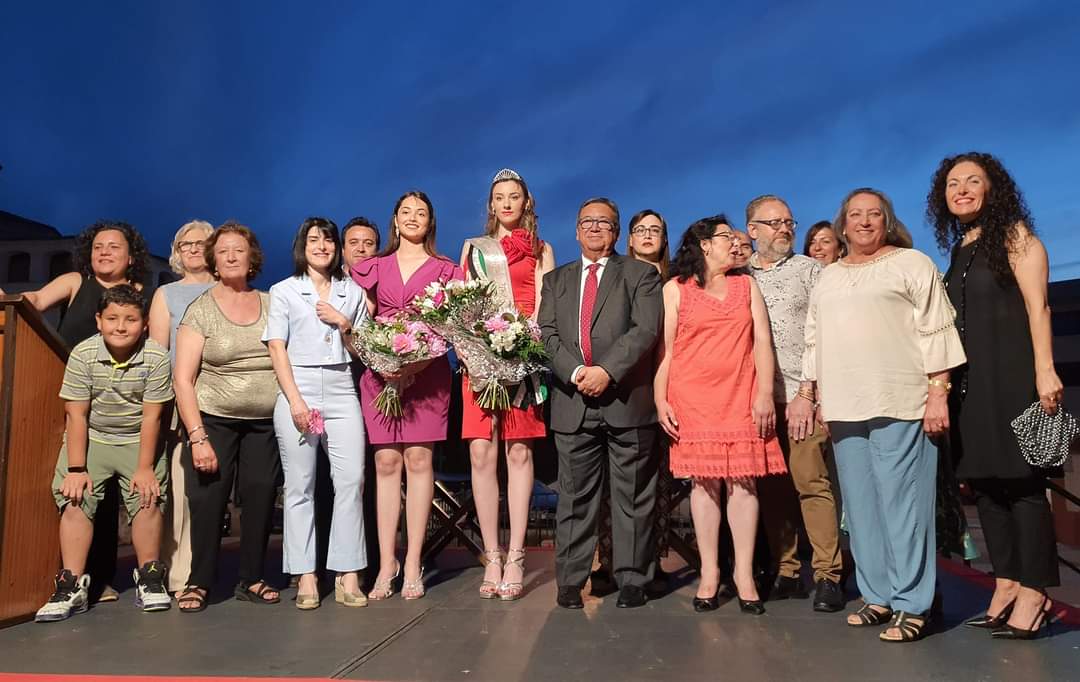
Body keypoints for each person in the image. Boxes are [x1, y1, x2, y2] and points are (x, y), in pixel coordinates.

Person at [802, 188, 966, 643]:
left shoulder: (912, 264)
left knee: (903, 504)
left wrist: (938, 393)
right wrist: (810, 395)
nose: (865, 222)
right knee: (861, 506)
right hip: (843, 405)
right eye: (856, 215)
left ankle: (914, 603)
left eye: (875, 214)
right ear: (843, 224)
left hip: (900, 399)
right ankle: (878, 596)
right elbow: (814, 341)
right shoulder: (829, 277)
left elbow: (937, 328)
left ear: (887, 220)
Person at [929, 152, 1064, 639]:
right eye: (952, 184)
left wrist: (1045, 371)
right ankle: (1005, 580)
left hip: (1015, 377)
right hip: (970, 382)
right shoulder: (960, 248)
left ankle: (1036, 590)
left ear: (993, 188)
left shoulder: (1017, 237)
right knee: (984, 484)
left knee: (1024, 485)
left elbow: (1039, 307)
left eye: (972, 181)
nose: (961, 189)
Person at [655, 216, 785, 615]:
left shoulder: (747, 286)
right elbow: (667, 350)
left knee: (744, 485)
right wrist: (661, 399)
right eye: (727, 237)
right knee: (705, 486)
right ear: (704, 245)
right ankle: (709, 573)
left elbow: (763, 341)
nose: (736, 243)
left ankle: (743, 575)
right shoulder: (675, 289)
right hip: (693, 399)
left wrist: (764, 392)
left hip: (742, 395)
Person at [538, 197, 662, 610]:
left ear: (616, 232)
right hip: (572, 401)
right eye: (587, 222)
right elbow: (547, 335)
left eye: (604, 223)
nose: (594, 228)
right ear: (575, 231)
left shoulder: (642, 275)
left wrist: (607, 371)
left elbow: (645, 330)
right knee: (574, 498)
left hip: (625, 399)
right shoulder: (556, 280)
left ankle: (631, 579)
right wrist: (575, 373)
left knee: (631, 498)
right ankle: (570, 581)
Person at [25, 220, 151, 604]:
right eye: (98, 246)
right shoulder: (74, 283)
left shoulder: (144, 294)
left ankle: (100, 578)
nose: (105, 252)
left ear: (131, 257)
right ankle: (59, 573)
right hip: (69, 396)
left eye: (114, 246)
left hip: (122, 403)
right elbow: (32, 301)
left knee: (111, 493)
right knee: (71, 485)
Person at [35, 285, 173, 622]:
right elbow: (77, 414)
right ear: (99, 321)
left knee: (147, 495)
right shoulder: (83, 354)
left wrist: (144, 468)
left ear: (144, 324)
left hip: (136, 439)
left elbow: (152, 416)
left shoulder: (155, 356)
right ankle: (71, 583)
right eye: (112, 318)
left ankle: (150, 576)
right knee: (76, 496)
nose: (120, 326)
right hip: (93, 438)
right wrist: (78, 468)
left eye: (130, 319)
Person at [351, 191, 463, 600]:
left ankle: (414, 561)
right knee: (384, 463)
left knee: (419, 460)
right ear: (395, 220)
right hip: (379, 375)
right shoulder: (371, 267)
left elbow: (454, 327)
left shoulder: (448, 270)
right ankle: (386, 563)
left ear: (430, 223)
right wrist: (383, 363)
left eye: (421, 213)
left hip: (427, 376)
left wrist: (414, 365)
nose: (413, 218)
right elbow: (358, 321)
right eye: (406, 212)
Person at [173, 222, 282, 612]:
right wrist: (197, 436)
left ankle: (251, 577)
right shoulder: (199, 309)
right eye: (224, 251)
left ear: (252, 257)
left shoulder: (272, 303)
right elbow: (183, 380)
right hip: (213, 417)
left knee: (260, 493)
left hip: (265, 422)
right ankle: (199, 581)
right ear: (213, 261)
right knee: (208, 500)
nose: (233, 256)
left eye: (240, 249)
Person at [458, 169, 555, 600]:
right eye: (500, 197)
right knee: (482, 453)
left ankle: (517, 554)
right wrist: (475, 352)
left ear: (527, 202)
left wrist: (523, 347)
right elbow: (460, 308)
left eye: (515, 196)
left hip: (522, 363)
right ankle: (491, 554)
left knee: (518, 453)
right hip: (480, 364)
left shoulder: (541, 248)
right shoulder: (474, 250)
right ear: (491, 205)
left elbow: (546, 305)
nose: (508, 203)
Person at [745, 195, 844, 612]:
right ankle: (786, 571)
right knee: (771, 489)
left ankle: (828, 575)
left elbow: (827, 334)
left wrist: (810, 393)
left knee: (811, 483)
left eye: (789, 222)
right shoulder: (736, 275)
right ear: (752, 230)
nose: (785, 229)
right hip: (755, 403)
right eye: (774, 223)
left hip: (802, 397)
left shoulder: (810, 271)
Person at [265, 217, 369, 610]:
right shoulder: (284, 291)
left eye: (328, 240)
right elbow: (277, 348)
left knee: (350, 480)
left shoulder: (352, 293)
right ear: (301, 246)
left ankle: (347, 573)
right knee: (300, 485)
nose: (322, 246)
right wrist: (294, 402)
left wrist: (344, 323)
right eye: (314, 240)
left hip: (342, 388)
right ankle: (305, 573)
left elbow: (362, 351)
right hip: (300, 387)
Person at [593, 209, 674, 595]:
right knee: (613, 488)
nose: (646, 235)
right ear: (628, 237)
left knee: (656, 486)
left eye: (654, 230)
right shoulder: (615, 276)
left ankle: (649, 562)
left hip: (667, 389)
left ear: (663, 238)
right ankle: (609, 561)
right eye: (640, 229)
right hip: (623, 390)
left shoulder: (674, 281)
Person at [147, 220, 215, 594]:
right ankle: (178, 571)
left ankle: (207, 567)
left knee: (212, 490)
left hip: (224, 400)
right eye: (183, 243)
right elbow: (158, 356)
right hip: (180, 401)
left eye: (199, 243)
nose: (191, 249)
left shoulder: (228, 289)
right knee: (179, 487)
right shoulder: (166, 295)